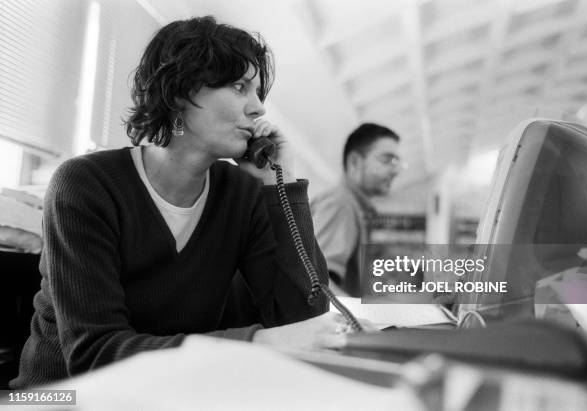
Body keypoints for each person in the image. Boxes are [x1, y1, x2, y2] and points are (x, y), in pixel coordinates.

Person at [11, 16, 346, 389]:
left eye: (257, 91)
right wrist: (257, 342)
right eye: (239, 87)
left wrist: (282, 186)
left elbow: (303, 319)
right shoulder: (85, 185)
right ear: (178, 92)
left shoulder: (243, 193)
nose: (258, 109)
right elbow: (94, 355)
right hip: (59, 398)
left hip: (171, 392)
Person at [311, 123, 401, 297]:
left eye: (396, 162)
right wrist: (364, 321)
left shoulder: (358, 209)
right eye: (387, 160)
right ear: (355, 162)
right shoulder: (341, 205)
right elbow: (320, 285)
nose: (395, 170)